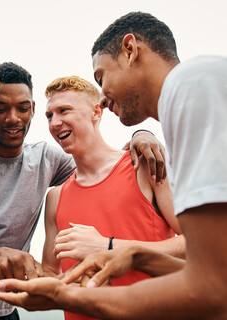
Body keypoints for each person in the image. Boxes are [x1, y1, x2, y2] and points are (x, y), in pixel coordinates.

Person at [0, 11, 227, 320]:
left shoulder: (195, 86)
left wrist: (82, 280)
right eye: (49, 115)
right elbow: (216, 268)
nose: (104, 99)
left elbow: (220, 288)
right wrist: (133, 255)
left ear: (130, 50)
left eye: (101, 77)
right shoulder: (192, 99)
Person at [0, 62, 167, 320]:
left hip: (3, 311)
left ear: (32, 110)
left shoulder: (48, 160)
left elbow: (99, 167)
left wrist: (142, 133)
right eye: (0, 108)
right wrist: (0, 254)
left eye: (23, 108)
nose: (13, 118)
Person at [41, 76, 184, 320]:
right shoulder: (56, 196)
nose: (55, 122)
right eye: (49, 116)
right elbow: (49, 271)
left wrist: (107, 247)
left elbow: (196, 245)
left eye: (64, 111)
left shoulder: (143, 167)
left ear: (96, 112)